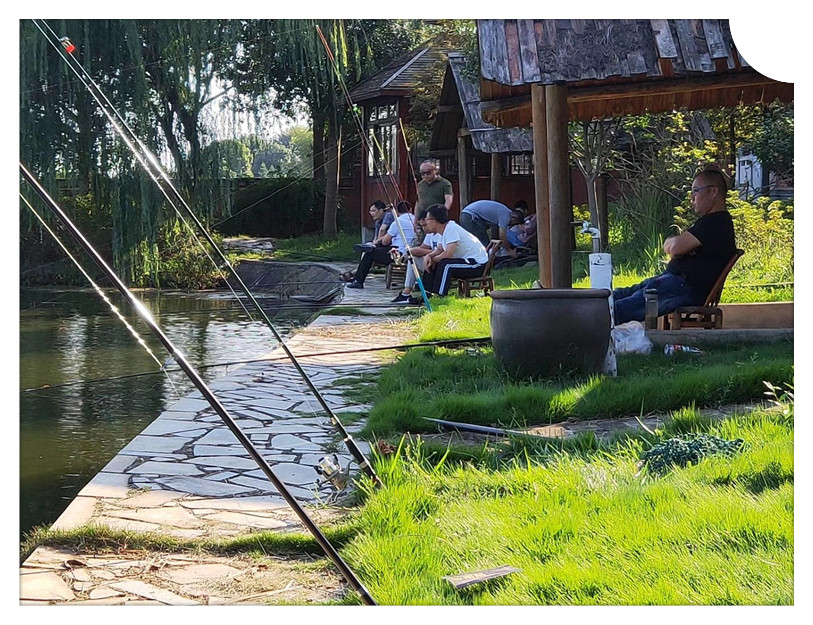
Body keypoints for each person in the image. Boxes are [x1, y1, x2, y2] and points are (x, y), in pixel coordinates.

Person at [613, 166, 737, 324]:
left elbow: (675, 248)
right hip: (673, 283)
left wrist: (672, 243)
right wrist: (675, 245)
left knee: (620, 308)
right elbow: (676, 247)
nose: (692, 198)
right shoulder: (710, 222)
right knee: (617, 295)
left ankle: (585, 328)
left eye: (695, 191)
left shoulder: (716, 223)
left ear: (713, 191)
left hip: (682, 288)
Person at [414, 203, 489, 298]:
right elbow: (439, 249)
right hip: (466, 261)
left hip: (476, 264)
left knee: (446, 264)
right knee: (437, 262)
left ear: (435, 220)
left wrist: (433, 260)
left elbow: (448, 254)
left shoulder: (451, 228)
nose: (426, 222)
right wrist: (429, 256)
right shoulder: (443, 231)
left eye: (427, 219)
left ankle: (439, 295)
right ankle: (427, 293)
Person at [347, 201, 416, 289]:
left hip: (397, 253)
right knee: (373, 249)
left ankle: (358, 281)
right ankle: (356, 274)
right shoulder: (415, 221)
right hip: (412, 251)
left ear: (398, 211)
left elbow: (385, 242)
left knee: (370, 253)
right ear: (410, 209)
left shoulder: (398, 222)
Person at [390, 209, 442, 303]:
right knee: (413, 258)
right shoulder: (430, 234)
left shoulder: (442, 233)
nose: (424, 229)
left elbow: (442, 251)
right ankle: (406, 292)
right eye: (421, 226)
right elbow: (422, 248)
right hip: (431, 262)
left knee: (414, 257)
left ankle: (406, 293)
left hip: (439, 263)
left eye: (425, 225)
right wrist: (412, 251)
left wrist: (418, 251)